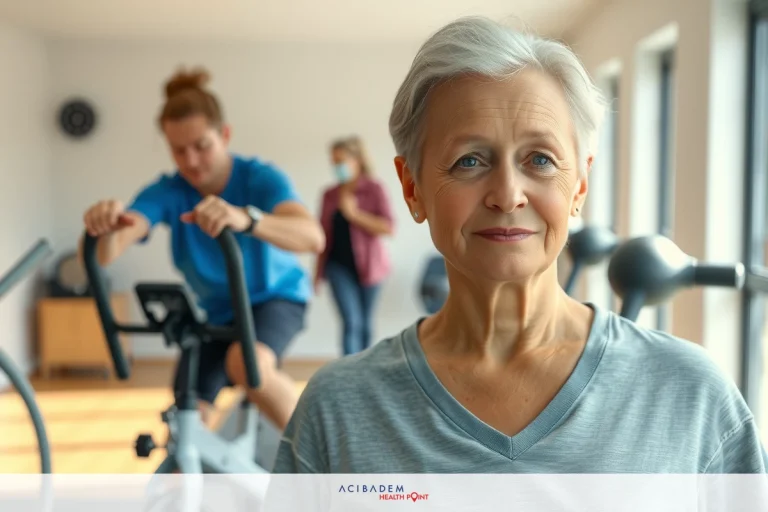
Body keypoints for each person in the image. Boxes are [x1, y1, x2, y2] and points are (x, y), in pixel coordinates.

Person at [272, 17, 767, 473]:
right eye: (469, 160)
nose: (508, 195)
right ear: (412, 187)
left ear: (579, 186)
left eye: (541, 160)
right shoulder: (337, 410)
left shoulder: (691, 395)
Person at [79, 67, 325, 432]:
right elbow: (110, 249)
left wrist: (248, 219)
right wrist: (105, 225)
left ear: (224, 135)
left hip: (274, 298)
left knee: (247, 364)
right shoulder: (169, 191)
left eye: (202, 146)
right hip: (218, 314)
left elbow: (312, 237)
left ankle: (324, 459)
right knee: (186, 415)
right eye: (179, 150)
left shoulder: (259, 178)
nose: (191, 161)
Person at [315, 136, 395, 356]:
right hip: (337, 267)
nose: (337, 167)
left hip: (371, 268)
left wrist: (354, 215)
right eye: (333, 162)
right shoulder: (329, 195)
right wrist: (317, 274)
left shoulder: (375, 189)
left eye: (341, 161)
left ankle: (366, 372)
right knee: (351, 322)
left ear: (357, 160)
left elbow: (389, 227)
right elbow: (321, 237)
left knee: (365, 324)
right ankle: (349, 373)